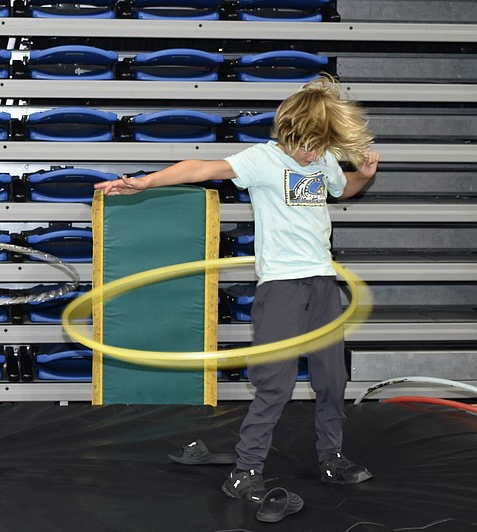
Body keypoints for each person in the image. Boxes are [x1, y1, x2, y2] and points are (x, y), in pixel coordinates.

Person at [96, 76, 379, 504]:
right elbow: (203, 168)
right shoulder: (262, 160)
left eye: (322, 146)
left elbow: (345, 188)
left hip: (323, 283)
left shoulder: (322, 160)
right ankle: (245, 471)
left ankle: (331, 458)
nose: (316, 154)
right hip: (281, 286)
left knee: (331, 378)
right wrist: (146, 181)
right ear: (288, 134)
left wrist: (363, 174)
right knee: (275, 384)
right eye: (309, 146)